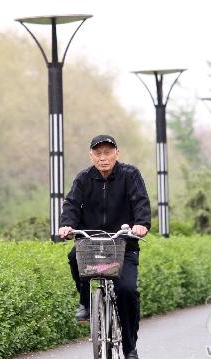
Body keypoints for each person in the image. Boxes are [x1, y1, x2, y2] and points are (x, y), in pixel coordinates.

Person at [59, 134, 151, 359]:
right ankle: (85, 302)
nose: (103, 158)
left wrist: (140, 224)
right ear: (91, 156)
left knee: (127, 291)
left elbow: (141, 201)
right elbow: (71, 203)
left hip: (124, 243)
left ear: (116, 154)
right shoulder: (83, 179)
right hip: (90, 243)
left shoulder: (130, 175)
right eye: (98, 153)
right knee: (74, 258)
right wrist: (67, 225)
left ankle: (130, 347)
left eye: (108, 152)